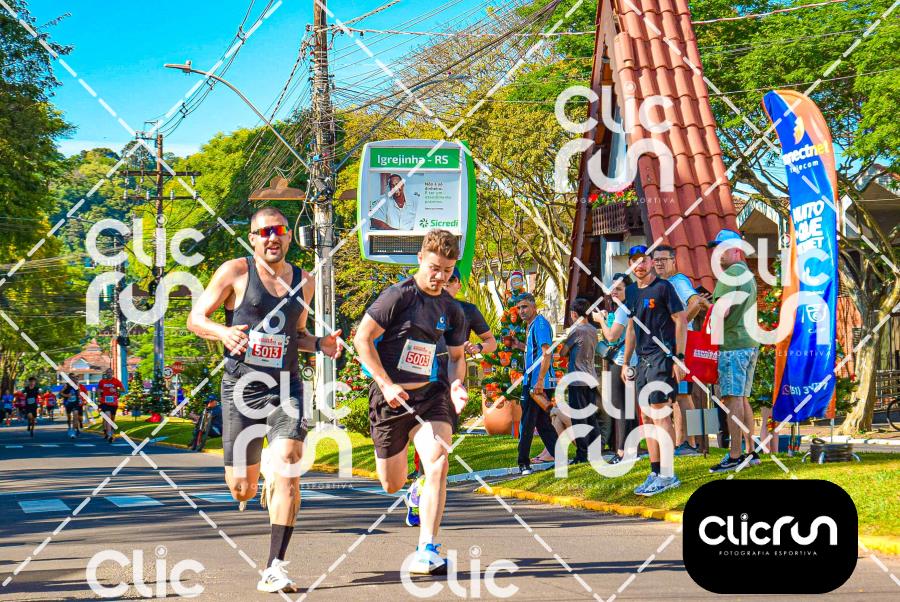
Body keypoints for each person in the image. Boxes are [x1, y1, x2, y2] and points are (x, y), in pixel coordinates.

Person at [187, 205, 342, 594]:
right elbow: (196, 318)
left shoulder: (304, 282)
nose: (273, 237)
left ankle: (275, 566)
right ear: (253, 239)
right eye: (265, 231)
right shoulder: (235, 272)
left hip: (286, 388)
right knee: (242, 487)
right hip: (242, 388)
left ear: (289, 236)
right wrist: (223, 333)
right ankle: (258, 485)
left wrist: (320, 345)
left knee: (288, 464)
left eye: (280, 230)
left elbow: (298, 335)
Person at [353, 229, 469, 575]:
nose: (440, 277)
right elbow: (362, 340)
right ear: (420, 259)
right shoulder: (397, 296)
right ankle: (414, 493)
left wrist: (457, 384)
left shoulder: (451, 308)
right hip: (390, 399)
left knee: (438, 462)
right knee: (391, 483)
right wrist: (386, 384)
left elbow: (457, 356)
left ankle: (426, 549)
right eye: (434, 268)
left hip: (430, 397)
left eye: (447, 270)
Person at [408, 266, 497, 480]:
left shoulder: (468, 310)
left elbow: (491, 342)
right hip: (424, 373)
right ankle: (423, 471)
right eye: (443, 281)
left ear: (458, 284)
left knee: (441, 427)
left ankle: (429, 472)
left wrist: (478, 347)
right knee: (421, 423)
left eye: (451, 280)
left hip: (452, 375)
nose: (446, 285)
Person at [622, 244, 687, 496]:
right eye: (635, 261)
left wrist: (679, 357)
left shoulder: (664, 287)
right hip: (642, 360)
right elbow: (631, 328)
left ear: (651, 262)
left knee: (660, 414)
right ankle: (655, 471)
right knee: (647, 417)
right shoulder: (630, 292)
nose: (640, 265)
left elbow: (681, 319)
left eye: (644, 260)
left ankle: (669, 474)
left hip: (663, 357)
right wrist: (626, 362)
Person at [707, 229, 762, 472]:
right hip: (749, 342)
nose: (717, 253)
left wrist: (712, 340)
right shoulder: (746, 273)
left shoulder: (730, 274)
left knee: (732, 398)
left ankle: (735, 455)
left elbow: (723, 311)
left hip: (733, 344)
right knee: (742, 397)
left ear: (737, 250)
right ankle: (751, 451)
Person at [652, 245, 711, 455]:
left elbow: (696, 302)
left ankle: (690, 443)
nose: (659, 263)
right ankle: (683, 442)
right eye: (656, 260)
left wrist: (680, 324)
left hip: (682, 346)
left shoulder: (678, 281)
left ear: (673, 261)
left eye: (664, 259)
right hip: (673, 345)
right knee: (678, 395)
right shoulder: (662, 283)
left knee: (684, 394)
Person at [592, 273, 638, 463]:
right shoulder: (625, 308)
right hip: (630, 361)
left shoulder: (623, 310)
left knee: (620, 408)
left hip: (622, 362)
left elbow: (611, 336)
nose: (614, 292)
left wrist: (600, 321)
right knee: (628, 407)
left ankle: (621, 452)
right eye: (612, 289)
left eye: (619, 288)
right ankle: (631, 449)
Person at [512, 293, 559, 475]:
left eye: (525, 306)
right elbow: (536, 351)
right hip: (535, 381)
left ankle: (523, 463)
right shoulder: (533, 325)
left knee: (527, 424)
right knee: (543, 423)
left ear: (534, 307)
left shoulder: (539, 324)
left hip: (537, 383)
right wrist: (519, 346)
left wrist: (539, 381)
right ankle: (560, 459)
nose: (521, 311)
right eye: (519, 308)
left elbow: (547, 352)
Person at [559, 298, 603, 463]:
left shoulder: (576, 331)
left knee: (579, 418)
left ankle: (582, 455)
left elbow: (563, 352)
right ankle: (596, 451)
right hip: (591, 377)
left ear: (574, 313)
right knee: (591, 417)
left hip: (577, 379)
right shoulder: (592, 329)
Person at [97, 369, 125, 442]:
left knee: (112, 419)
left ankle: (109, 430)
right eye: (108, 372)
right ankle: (109, 434)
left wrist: (116, 390)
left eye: (110, 372)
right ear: (106, 373)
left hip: (113, 403)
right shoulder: (102, 381)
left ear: (112, 373)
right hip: (104, 402)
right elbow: (98, 389)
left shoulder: (116, 381)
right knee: (107, 417)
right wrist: (99, 396)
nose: (109, 374)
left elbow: (123, 389)